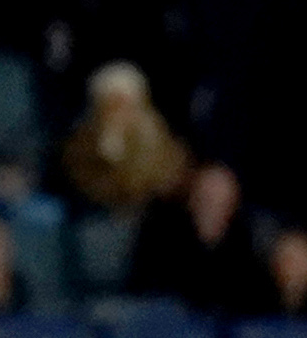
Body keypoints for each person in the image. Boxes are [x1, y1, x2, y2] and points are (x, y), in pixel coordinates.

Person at [126, 160, 261, 313]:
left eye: (222, 202)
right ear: (191, 200)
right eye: (206, 199)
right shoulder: (162, 236)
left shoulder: (244, 242)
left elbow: (247, 299)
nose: (212, 209)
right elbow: (149, 289)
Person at [61, 62, 187, 218]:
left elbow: (164, 182)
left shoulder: (164, 149)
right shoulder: (81, 147)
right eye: (113, 106)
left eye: (126, 105)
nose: (120, 114)